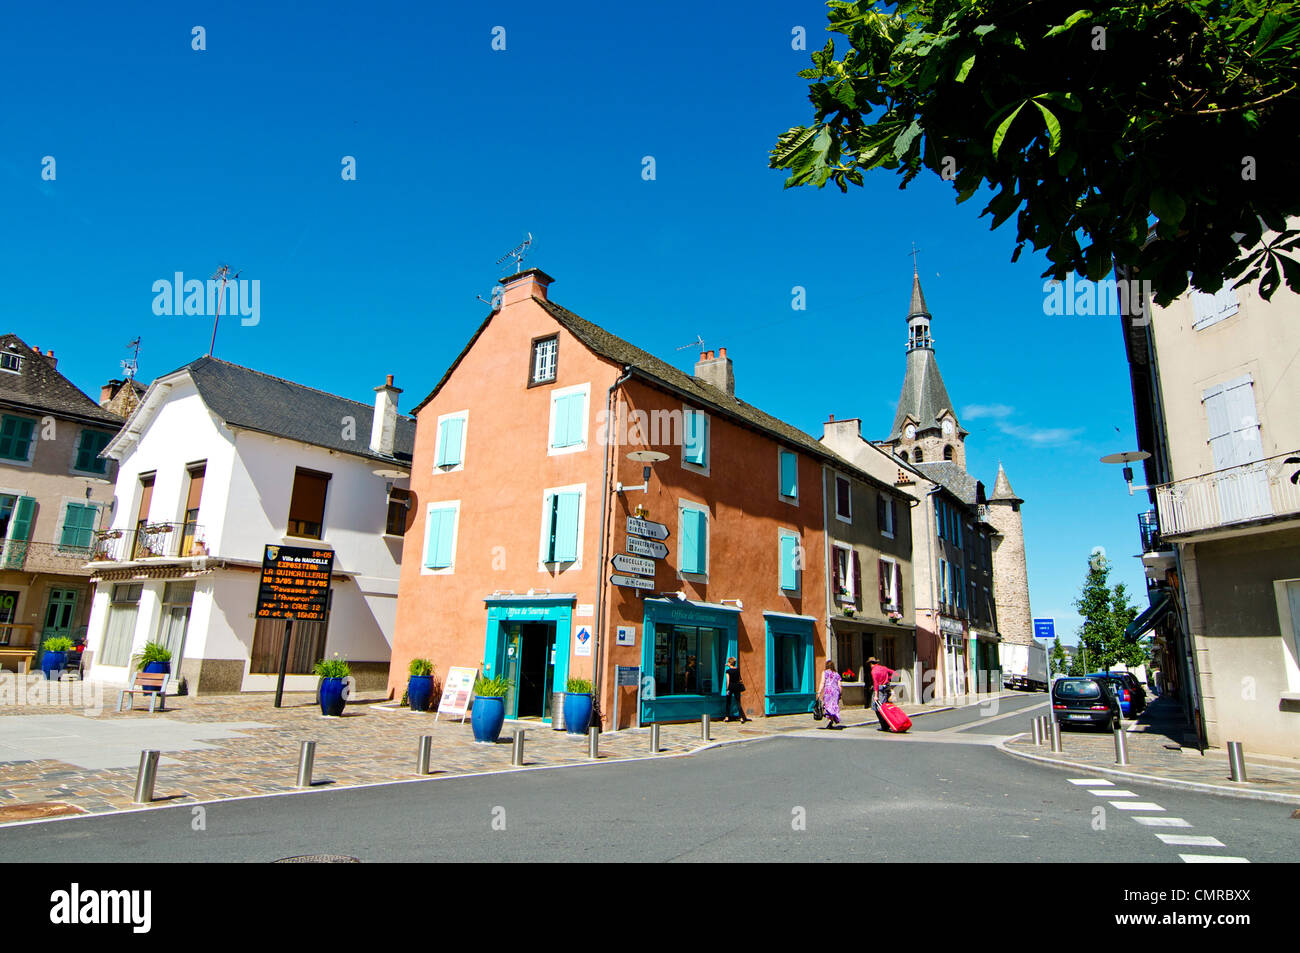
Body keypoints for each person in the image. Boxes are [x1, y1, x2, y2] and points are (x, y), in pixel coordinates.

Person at [868, 656, 896, 731]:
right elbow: (895, 673)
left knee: (877, 708)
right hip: (886, 689)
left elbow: (876, 683)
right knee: (884, 707)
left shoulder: (874, 671)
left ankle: (884, 725)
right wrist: (888, 679)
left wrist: (876, 695)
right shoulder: (884, 668)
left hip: (879, 690)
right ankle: (886, 724)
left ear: (871, 664)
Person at [723, 656, 749, 722]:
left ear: (729, 663)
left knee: (728, 702)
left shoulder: (728, 671)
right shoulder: (737, 670)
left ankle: (727, 717)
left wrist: (727, 689)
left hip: (731, 687)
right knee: (738, 702)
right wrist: (728, 664)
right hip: (737, 686)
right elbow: (739, 678)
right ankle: (741, 718)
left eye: (728, 662)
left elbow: (728, 681)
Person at [817, 660, 842, 729]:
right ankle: (832, 719)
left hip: (828, 691)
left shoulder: (824, 673)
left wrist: (819, 691)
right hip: (835, 691)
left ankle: (830, 720)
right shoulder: (837, 674)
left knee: (827, 706)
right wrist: (840, 693)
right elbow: (840, 685)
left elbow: (822, 682)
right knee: (834, 705)